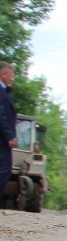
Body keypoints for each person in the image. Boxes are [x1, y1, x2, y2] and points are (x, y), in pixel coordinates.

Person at [0, 61, 16, 206]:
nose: (12, 79)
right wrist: (10, 135)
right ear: (3, 74)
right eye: (11, 75)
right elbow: (1, 115)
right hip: (2, 140)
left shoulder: (4, 91)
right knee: (4, 169)